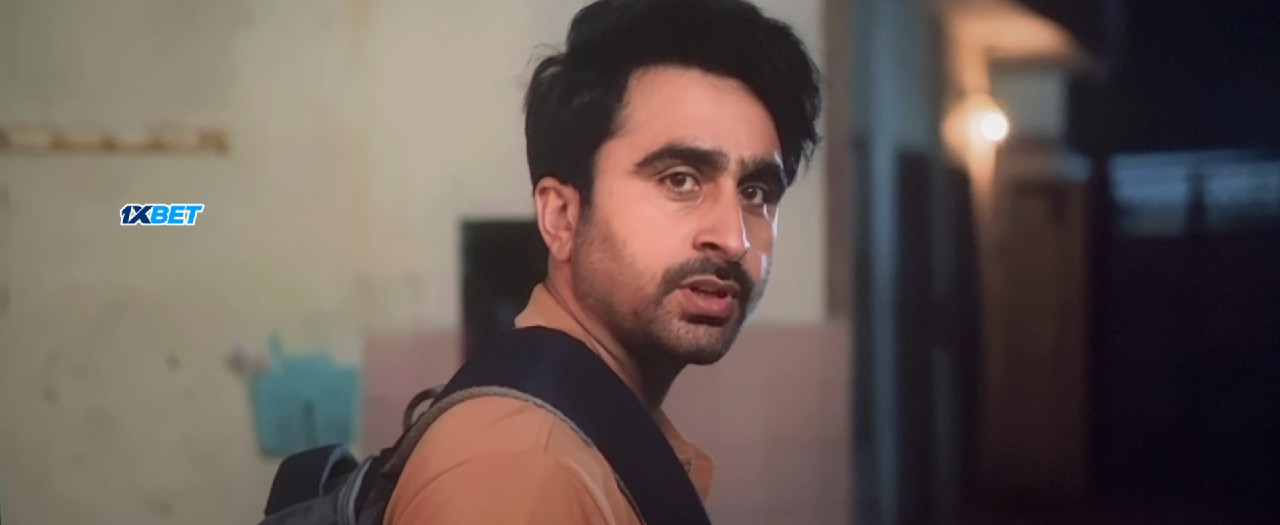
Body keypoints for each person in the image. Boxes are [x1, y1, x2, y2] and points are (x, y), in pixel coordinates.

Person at [383, 0, 822, 522]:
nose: (733, 239)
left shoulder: (593, 430)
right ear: (562, 216)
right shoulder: (524, 471)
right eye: (680, 180)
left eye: (755, 192)